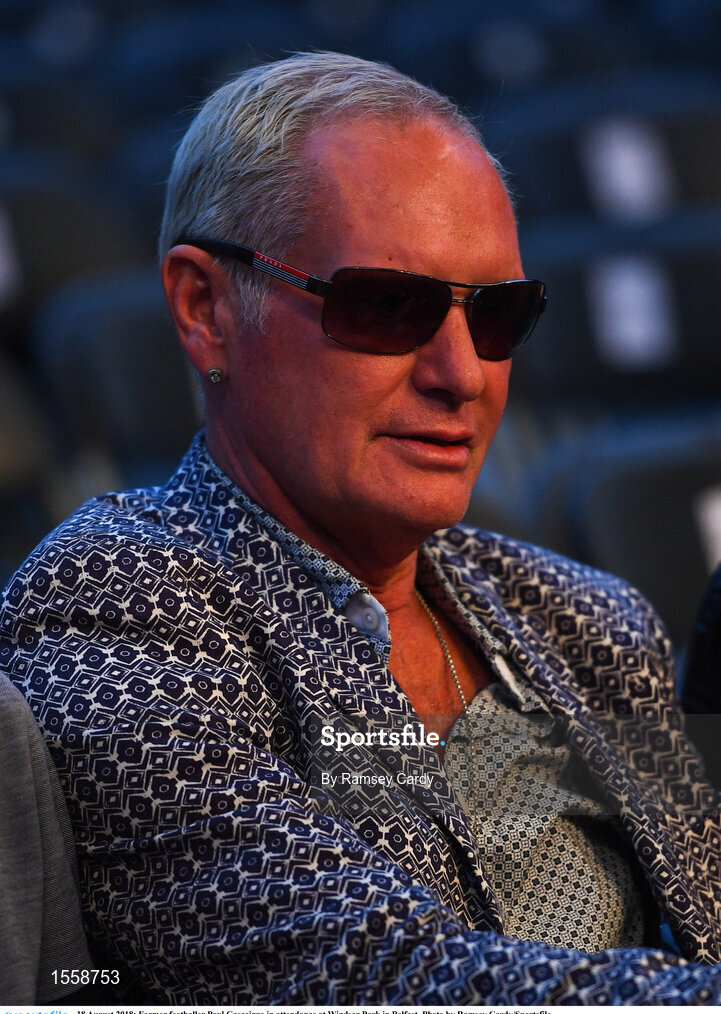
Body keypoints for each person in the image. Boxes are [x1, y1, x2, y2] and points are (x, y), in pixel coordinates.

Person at [1, 51, 720, 1004]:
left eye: (497, 315)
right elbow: (368, 979)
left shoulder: (588, 619)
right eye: (389, 305)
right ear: (204, 308)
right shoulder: (118, 598)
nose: (461, 374)